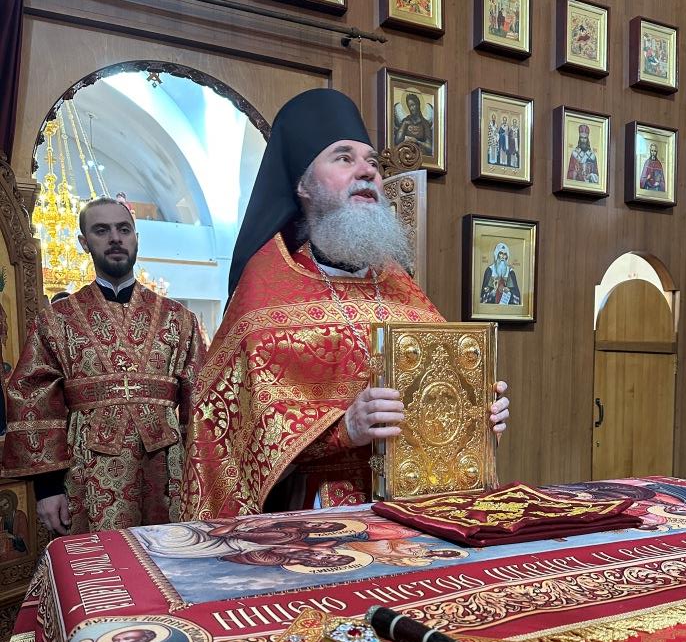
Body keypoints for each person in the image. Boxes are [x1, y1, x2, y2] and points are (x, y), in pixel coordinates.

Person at [181, 88, 509, 519]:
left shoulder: (401, 288)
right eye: (343, 158)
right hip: (313, 521)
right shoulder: (263, 293)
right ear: (302, 185)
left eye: (372, 162)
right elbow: (225, 441)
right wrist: (343, 431)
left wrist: (477, 416)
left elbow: (436, 404)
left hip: (417, 511)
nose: (367, 171)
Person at [2, 197, 206, 534]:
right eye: (101, 230)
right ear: (84, 243)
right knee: (102, 560)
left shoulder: (179, 318)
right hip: (87, 472)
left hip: (168, 469)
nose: (115, 238)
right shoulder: (56, 319)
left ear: (136, 237)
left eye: (123, 229)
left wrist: (201, 476)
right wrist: (47, 488)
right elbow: (33, 400)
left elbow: (200, 401)